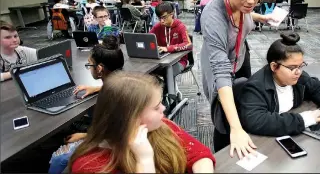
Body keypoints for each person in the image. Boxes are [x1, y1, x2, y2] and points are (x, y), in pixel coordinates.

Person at [200, 0, 277, 157]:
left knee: (247, 98)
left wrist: (261, 18)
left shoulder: (244, 3)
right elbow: (221, 73)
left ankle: (245, 133)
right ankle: (224, 157)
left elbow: (245, 13)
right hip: (219, 63)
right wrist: (235, 128)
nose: (252, 0)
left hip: (240, 54)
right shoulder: (213, 17)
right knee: (224, 118)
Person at [68, 72, 215, 173]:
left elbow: (200, 155)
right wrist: (144, 160)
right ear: (131, 118)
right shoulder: (89, 166)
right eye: (156, 107)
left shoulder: (160, 126)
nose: (163, 108)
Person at [235, 33, 320, 136]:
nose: (298, 72)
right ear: (274, 66)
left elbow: (318, 87)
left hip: (284, 132)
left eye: (300, 66)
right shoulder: (255, 87)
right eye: (292, 68)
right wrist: (303, 120)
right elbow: (256, 121)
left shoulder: (298, 77)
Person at [48, 35, 125, 174]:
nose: (89, 69)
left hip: (116, 146)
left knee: (58, 159)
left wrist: (85, 136)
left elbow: (114, 133)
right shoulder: (123, 83)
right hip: (121, 139)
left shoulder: (111, 98)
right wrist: (97, 88)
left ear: (100, 68)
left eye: (89, 65)